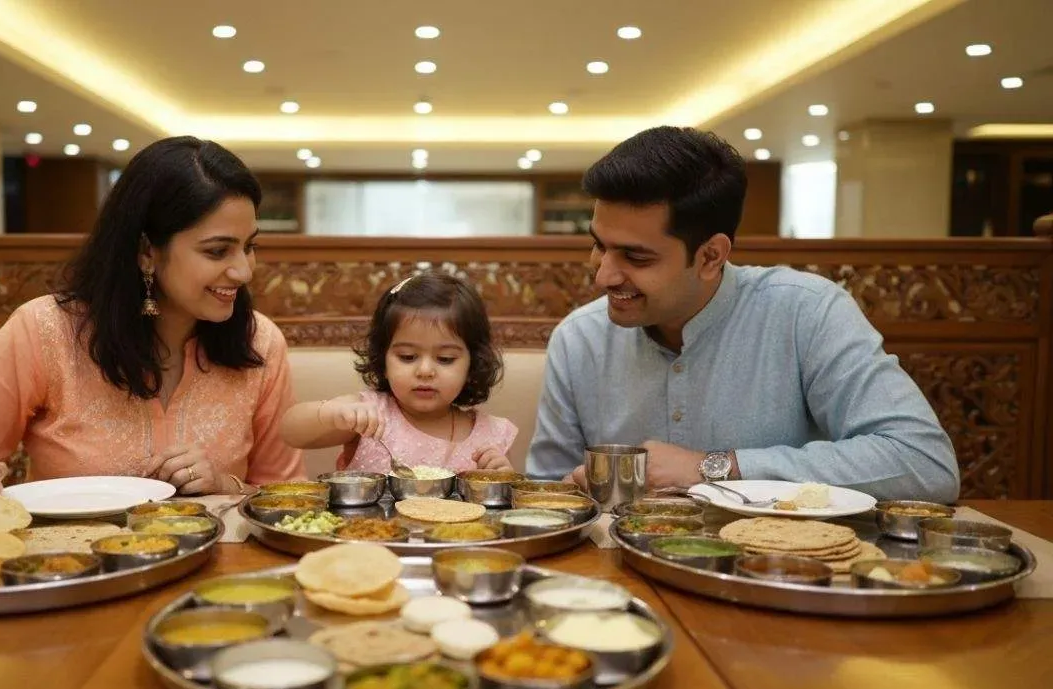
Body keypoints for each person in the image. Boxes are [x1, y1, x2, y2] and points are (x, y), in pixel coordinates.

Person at [526, 126, 960, 503]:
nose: (603, 276)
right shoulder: (579, 338)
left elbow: (924, 463)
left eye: (635, 257)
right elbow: (546, 489)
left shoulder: (805, 313)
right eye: (599, 244)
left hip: (783, 570)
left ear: (711, 255)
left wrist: (714, 467)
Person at [0, 137, 305, 506]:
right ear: (145, 251)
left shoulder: (260, 342)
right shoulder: (47, 330)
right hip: (66, 571)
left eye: (250, 247)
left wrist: (222, 484)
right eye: (217, 251)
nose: (244, 271)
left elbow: (288, 495)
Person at [280, 271, 518, 474]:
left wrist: (500, 476)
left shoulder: (491, 435)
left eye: (445, 359)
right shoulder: (370, 414)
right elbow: (290, 432)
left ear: (473, 364)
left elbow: (505, 508)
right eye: (407, 357)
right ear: (383, 359)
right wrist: (331, 413)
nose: (425, 371)